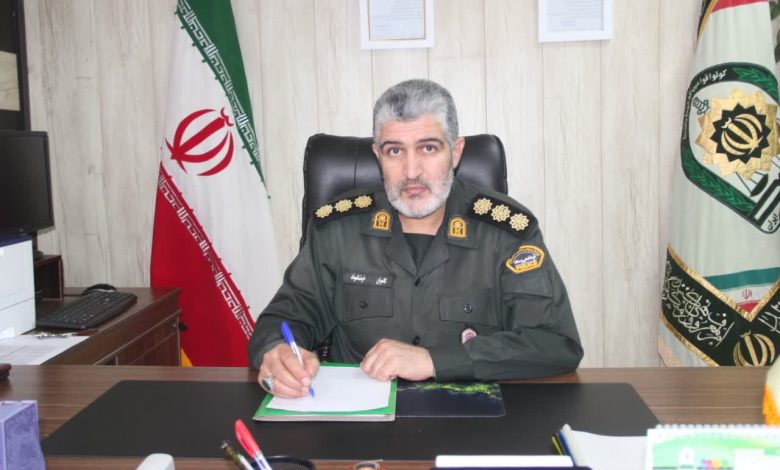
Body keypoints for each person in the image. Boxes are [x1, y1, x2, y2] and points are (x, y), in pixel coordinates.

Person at [248, 79, 583, 398]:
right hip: (358, 422)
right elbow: (286, 316)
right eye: (395, 151)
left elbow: (554, 342)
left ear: (456, 152)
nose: (411, 171)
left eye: (428, 148)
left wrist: (434, 360)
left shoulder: (505, 231)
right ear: (378, 156)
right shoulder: (337, 228)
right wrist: (277, 351)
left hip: (472, 418)